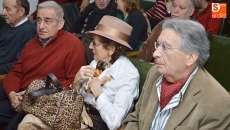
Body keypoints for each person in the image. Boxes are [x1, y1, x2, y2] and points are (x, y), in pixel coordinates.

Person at [123, 18, 230, 130]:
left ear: (190, 57)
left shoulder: (218, 103)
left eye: (165, 47)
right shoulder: (154, 73)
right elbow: (135, 118)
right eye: (158, 45)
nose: (155, 53)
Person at [0, 1, 85, 129]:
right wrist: (12, 94)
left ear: (60, 24)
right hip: (17, 95)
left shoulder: (72, 45)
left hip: (43, 101)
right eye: (39, 20)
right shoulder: (31, 43)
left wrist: (36, 92)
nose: (41, 26)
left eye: (47, 21)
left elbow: (73, 82)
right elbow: (16, 71)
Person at [73, 15, 139, 130]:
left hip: (101, 125)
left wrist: (98, 93)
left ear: (111, 49)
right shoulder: (96, 63)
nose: (90, 46)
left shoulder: (129, 75)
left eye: (94, 43)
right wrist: (77, 83)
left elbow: (114, 122)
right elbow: (79, 97)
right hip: (81, 115)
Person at [69, 0, 117, 65]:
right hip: (78, 36)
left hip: (92, 42)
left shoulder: (111, 13)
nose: (101, 1)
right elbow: (77, 24)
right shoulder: (90, 7)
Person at [0, 0, 36, 75]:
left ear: (21, 12)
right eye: (3, 8)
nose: (3, 13)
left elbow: (19, 64)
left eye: (7, 9)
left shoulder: (29, 31)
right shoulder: (8, 25)